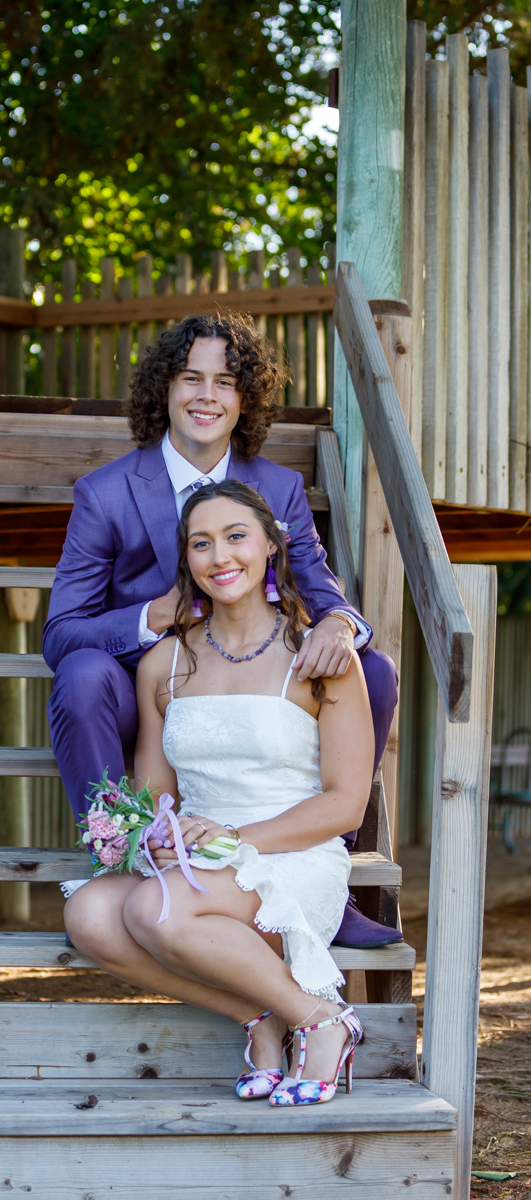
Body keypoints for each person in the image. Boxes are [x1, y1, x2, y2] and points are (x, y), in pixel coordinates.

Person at [43, 312, 400, 947]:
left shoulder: (280, 488)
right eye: (191, 378)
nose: (207, 394)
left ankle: (324, 871)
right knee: (81, 672)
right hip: (148, 687)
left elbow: (319, 590)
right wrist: (156, 616)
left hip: (255, 667)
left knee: (368, 666)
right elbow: (62, 633)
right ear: (165, 391)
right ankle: (121, 856)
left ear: (245, 400)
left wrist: (341, 624)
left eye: (227, 382)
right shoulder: (106, 493)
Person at [64, 481, 369, 1106]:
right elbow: (156, 789)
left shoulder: (318, 655)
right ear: (187, 563)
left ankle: (320, 1019)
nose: (220, 556)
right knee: (89, 915)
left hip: (289, 857)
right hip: (202, 859)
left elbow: (345, 805)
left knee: (157, 910)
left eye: (236, 537)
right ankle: (258, 1017)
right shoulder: (166, 662)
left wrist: (235, 839)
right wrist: (151, 831)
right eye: (201, 544)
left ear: (270, 547)